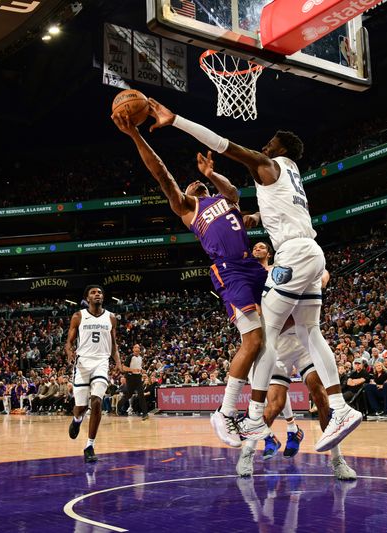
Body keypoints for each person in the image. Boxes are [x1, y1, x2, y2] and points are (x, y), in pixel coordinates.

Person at [147, 98, 361, 452]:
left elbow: (221, 143)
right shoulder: (290, 175)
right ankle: (339, 408)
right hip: (308, 251)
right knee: (309, 330)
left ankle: (252, 418)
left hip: (290, 255)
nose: (265, 146)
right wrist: (244, 210)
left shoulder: (267, 165)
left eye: (271, 142)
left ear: (282, 150)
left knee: (265, 336)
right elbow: (250, 210)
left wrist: (176, 120)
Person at [112, 111, 271, 447]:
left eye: (199, 182)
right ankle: (225, 412)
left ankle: (256, 418)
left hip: (254, 267)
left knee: (273, 339)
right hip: (230, 270)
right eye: (192, 183)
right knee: (253, 340)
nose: (194, 183)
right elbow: (162, 175)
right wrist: (135, 136)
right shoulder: (187, 207)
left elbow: (233, 192)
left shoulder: (221, 199)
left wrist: (212, 174)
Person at [237, 241, 356, 480]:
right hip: (277, 345)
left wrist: (318, 281)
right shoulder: (255, 277)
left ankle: (337, 459)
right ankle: (247, 453)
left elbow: (324, 274)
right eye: (255, 247)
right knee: (274, 405)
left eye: (263, 246)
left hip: (302, 344)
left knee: (319, 391)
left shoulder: (289, 269)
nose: (259, 249)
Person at [65, 285, 124, 463]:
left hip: (101, 362)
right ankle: (77, 419)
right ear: (87, 298)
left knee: (97, 401)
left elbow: (113, 343)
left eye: (100, 292)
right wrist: (69, 352)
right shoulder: (78, 316)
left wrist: (118, 361)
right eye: (93, 292)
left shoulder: (111, 318)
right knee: (80, 407)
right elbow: (69, 342)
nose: (97, 294)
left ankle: (89, 445)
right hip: (82, 363)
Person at [126, 344, 148, 421]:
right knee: (128, 394)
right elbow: (124, 368)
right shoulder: (130, 357)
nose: (137, 348)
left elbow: (139, 368)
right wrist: (132, 370)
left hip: (138, 377)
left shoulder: (141, 358)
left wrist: (142, 370)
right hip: (130, 377)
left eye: (138, 347)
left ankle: (145, 413)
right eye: (135, 347)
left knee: (141, 395)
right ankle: (120, 406)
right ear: (133, 349)